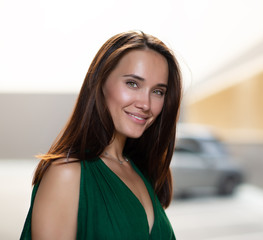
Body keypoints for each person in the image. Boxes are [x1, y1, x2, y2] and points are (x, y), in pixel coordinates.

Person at [20, 30, 182, 240]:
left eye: (158, 91)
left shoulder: (140, 171)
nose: (146, 104)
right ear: (100, 83)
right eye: (133, 83)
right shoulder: (68, 174)